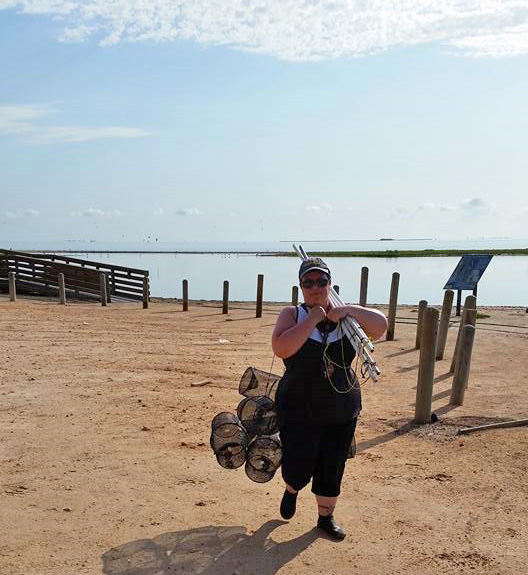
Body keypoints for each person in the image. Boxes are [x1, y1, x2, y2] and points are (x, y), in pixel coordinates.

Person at [271, 257, 387, 540]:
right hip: (298, 406)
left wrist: (345, 310)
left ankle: (326, 517)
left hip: (341, 408)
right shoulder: (292, 314)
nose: (315, 287)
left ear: (329, 283)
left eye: (321, 281)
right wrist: (313, 317)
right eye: (308, 282)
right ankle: (292, 489)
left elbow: (381, 326)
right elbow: (281, 348)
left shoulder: (348, 320)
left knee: (333, 462)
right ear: (300, 286)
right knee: (299, 459)